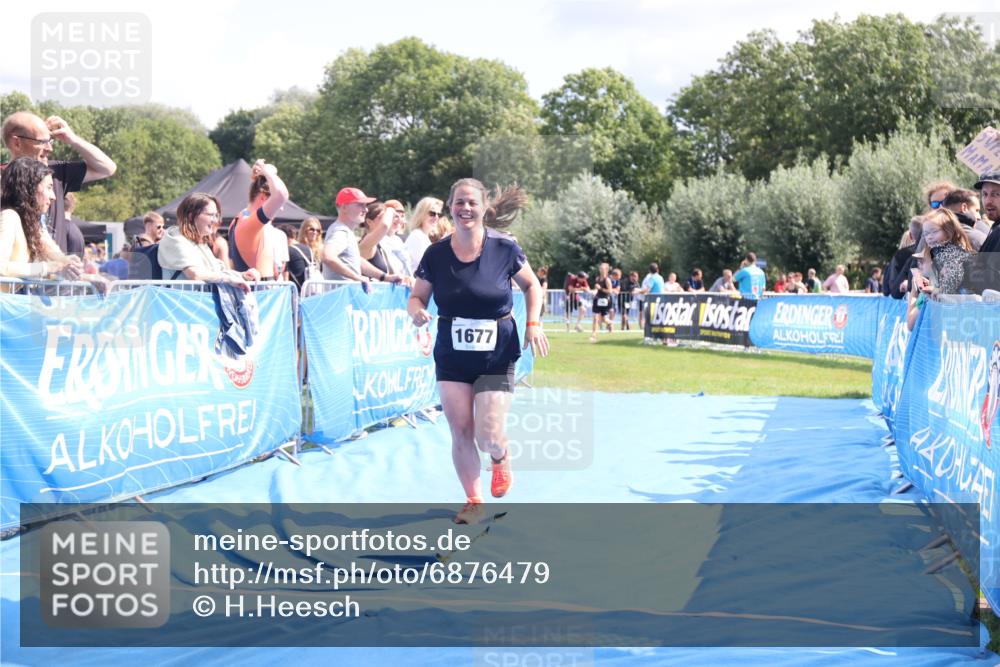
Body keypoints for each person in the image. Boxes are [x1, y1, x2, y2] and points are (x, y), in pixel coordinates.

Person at [408, 178, 548, 524]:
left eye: (472, 202)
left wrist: (533, 323)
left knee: (487, 435)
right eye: (459, 202)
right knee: (460, 430)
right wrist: (416, 311)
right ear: (450, 207)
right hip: (452, 353)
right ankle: (473, 500)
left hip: (496, 353)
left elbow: (532, 285)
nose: (465, 208)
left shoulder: (505, 247)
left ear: (484, 208)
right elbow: (417, 296)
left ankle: (500, 457)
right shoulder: (436, 254)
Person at [1, 112, 116, 253]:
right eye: (42, 142)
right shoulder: (2, 179)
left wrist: (73, 139)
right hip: (15, 266)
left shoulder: (55, 171)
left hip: (56, 264)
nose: (49, 148)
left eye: (50, 141)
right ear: (17, 143)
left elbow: (107, 168)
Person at [0, 157, 83, 279]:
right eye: (49, 187)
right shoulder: (9, 217)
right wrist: (48, 268)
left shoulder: (30, 223)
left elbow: (50, 250)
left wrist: (67, 263)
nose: (53, 196)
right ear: (29, 188)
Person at [158, 193, 258, 289]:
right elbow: (195, 274)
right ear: (191, 216)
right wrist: (229, 279)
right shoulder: (176, 238)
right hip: (180, 300)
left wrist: (244, 275)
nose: (215, 220)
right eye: (210, 215)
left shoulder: (198, 242)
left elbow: (217, 272)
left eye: (216, 215)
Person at [228, 159, 290, 279]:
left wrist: (261, 174)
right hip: (260, 289)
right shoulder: (248, 223)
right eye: (279, 205)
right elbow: (281, 194)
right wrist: (267, 172)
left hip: (256, 286)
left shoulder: (240, 219)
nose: (281, 209)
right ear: (262, 198)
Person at [322, 187, 386, 283]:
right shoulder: (341, 232)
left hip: (345, 291)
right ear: (344, 207)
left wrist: (384, 277)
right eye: (360, 205)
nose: (366, 209)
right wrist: (357, 277)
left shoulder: (345, 231)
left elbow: (357, 260)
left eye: (365, 205)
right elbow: (327, 256)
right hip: (343, 291)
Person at [922, 208, 973, 295]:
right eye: (926, 234)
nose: (929, 237)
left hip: (966, 295)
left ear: (949, 231)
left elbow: (954, 277)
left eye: (934, 231)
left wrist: (938, 290)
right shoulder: (938, 252)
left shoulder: (952, 252)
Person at [361, 200, 412, 286]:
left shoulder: (397, 240)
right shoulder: (368, 241)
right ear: (369, 222)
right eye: (382, 217)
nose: (389, 221)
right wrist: (390, 209)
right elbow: (384, 225)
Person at [405, 197, 445, 268]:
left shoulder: (423, 237)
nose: (436, 217)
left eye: (439, 215)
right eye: (432, 213)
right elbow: (423, 268)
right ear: (422, 214)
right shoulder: (417, 236)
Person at [288, 217, 323, 291]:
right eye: (312, 229)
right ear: (304, 230)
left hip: (317, 287)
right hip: (302, 286)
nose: (315, 232)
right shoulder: (297, 248)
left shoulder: (321, 249)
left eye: (318, 230)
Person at [589, 262, 614, 343]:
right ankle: (593, 334)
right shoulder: (597, 278)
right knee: (595, 317)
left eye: (603, 269)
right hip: (597, 299)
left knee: (604, 319)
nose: (601, 270)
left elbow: (610, 291)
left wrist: (600, 289)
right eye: (600, 268)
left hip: (605, 300)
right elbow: (597, 289)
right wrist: (594, 291)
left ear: (606, 270)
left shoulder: (607, 280)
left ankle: (610, 323)